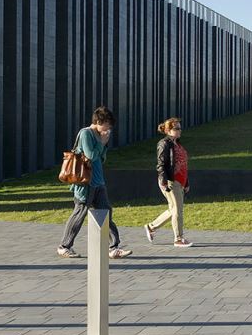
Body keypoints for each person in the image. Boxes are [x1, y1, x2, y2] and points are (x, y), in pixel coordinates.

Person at [58, 106, 132, 259]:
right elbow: (90, 155)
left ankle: (114, 247)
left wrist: (103, 144)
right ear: (98, 121)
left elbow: (102, 158)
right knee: (79, 213)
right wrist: (102, 142)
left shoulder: (100, 136)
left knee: (106, 213)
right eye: (107, 124)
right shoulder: (86, 133)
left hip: (98, 182)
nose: (109, 128)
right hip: (85, 184)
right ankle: (64, 246)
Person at [143, 117, 192, 247]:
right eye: (176, 128)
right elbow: (161, 164)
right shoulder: (164, 143)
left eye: (180, 128)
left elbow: (183, 164)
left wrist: (186, 182)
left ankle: (151, 227)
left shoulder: (178, 144)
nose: (180, 130)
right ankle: (178, 239)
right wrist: (164, 180)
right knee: (177, 209)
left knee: (174, 209)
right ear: (168, 130)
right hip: (171, 181)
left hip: (180, 181)